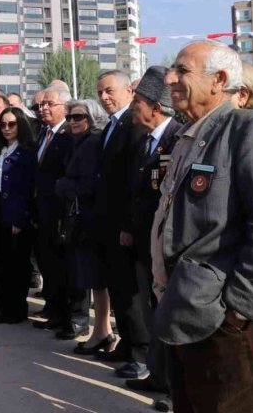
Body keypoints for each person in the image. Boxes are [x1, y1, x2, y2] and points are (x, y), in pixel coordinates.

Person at [154, 40, 253, 412]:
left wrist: (237, 310)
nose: (169, 78)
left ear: (220, 80)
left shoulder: (245, 131)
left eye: (182, 70)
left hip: (223, 325)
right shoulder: (189, 136)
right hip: (183, 310)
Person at [125, 66, 181, 396]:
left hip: (166, 243)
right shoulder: (143, 141)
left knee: (165, 310)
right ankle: (158, 373)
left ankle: (169, 379)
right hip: (144, 240)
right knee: (150, 307)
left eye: (138, 103)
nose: (134, 108)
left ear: (155, 107)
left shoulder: (178, 138)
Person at [94, 71, 149, 372]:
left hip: (125, 225)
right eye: (100, 92)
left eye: (110, 91)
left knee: (130, 293)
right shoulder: (111, 127)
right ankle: (127, 344)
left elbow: (134, 180)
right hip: (108, 224)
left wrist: (128, 224)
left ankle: (140, 354)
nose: (104, 98)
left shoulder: (135, 124)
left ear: (129, 90)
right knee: (117, 288)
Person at [55, 100, 114, 356]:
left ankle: (103, 331)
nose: (72, 121)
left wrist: (62, 185)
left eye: (78, 116)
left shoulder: (91, 143)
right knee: (95, 280)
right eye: (69, 117)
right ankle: (101, 331)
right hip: (86, 219)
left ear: (92, 117)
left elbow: (87, 185)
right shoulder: (79, 142)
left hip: (91, 220)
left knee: (98, 279)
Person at [34, 85, 88, 339]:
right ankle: (55, 314)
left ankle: (75, 319)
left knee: (69, 270)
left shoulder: (70, 136)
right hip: (43, 214)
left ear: (64, 108)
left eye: (49, 104)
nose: (43, 108)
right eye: (41, 104)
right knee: (50, 267)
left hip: (64, 213)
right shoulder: (42, 134)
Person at [0, 107, 37, 324]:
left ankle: (17, 308)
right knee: (2, 261)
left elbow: (27, 188)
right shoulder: (1, 149)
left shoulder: (27, 152)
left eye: (11, 124)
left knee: (17, 264)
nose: (7, 128)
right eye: (3, 124)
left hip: (17, 215)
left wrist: (20, 217)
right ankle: (5, 305)